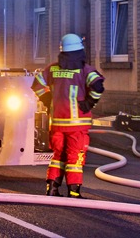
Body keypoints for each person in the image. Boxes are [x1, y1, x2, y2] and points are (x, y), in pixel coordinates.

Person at [31, 33, 105, 198]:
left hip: (57, 123)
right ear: (80, 50)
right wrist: (88, 103)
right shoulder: (85, 70)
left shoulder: (52, 69)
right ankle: (74, 192)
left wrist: (48, 100)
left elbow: (37, 85)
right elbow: (98, 86)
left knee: (58, 156)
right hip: (77, 125)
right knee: (75, 158)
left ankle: (52, 189)